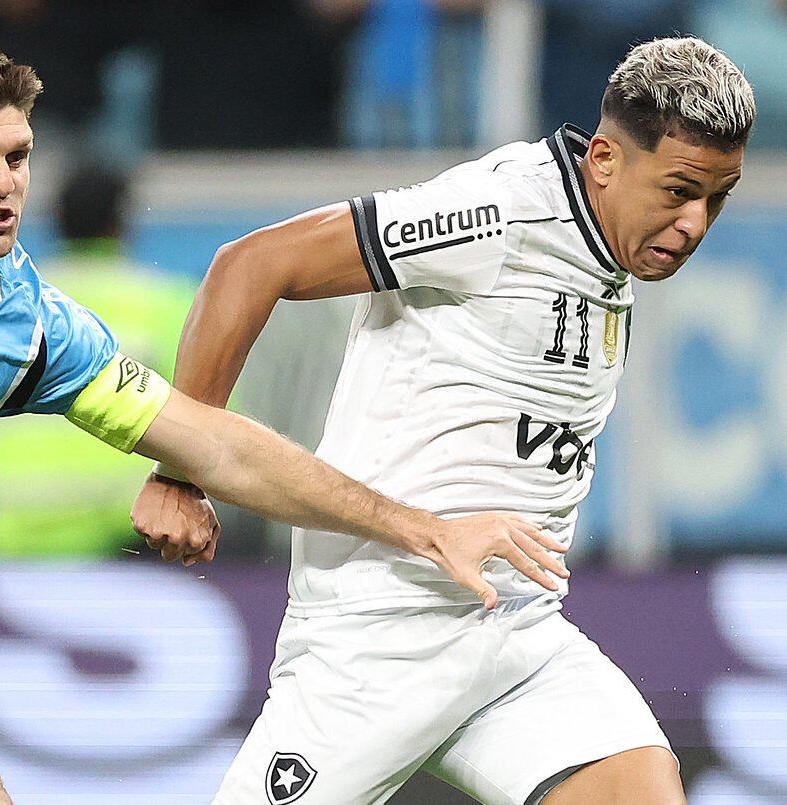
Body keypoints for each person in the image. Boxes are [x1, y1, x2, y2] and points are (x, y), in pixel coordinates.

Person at [0, 43, 567, 804]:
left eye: (17, 156)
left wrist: (422, 528)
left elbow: (217, 444)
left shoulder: (26, 330)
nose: (2, 182)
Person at [132, 36, 754, 805]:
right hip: (382, 631)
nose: (695, 223)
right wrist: (181, 467)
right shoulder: (501, 213)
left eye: (716, 199)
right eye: (679, 190)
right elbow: (251, 264)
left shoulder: (608, 253)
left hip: (517, 631)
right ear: (603, 160)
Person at [0, 162, 198, 558]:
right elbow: (209, 425)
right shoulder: (166, 302)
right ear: (123, 221)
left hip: (8, 534)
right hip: (127, 539)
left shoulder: (1, 301)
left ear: (55, 219)